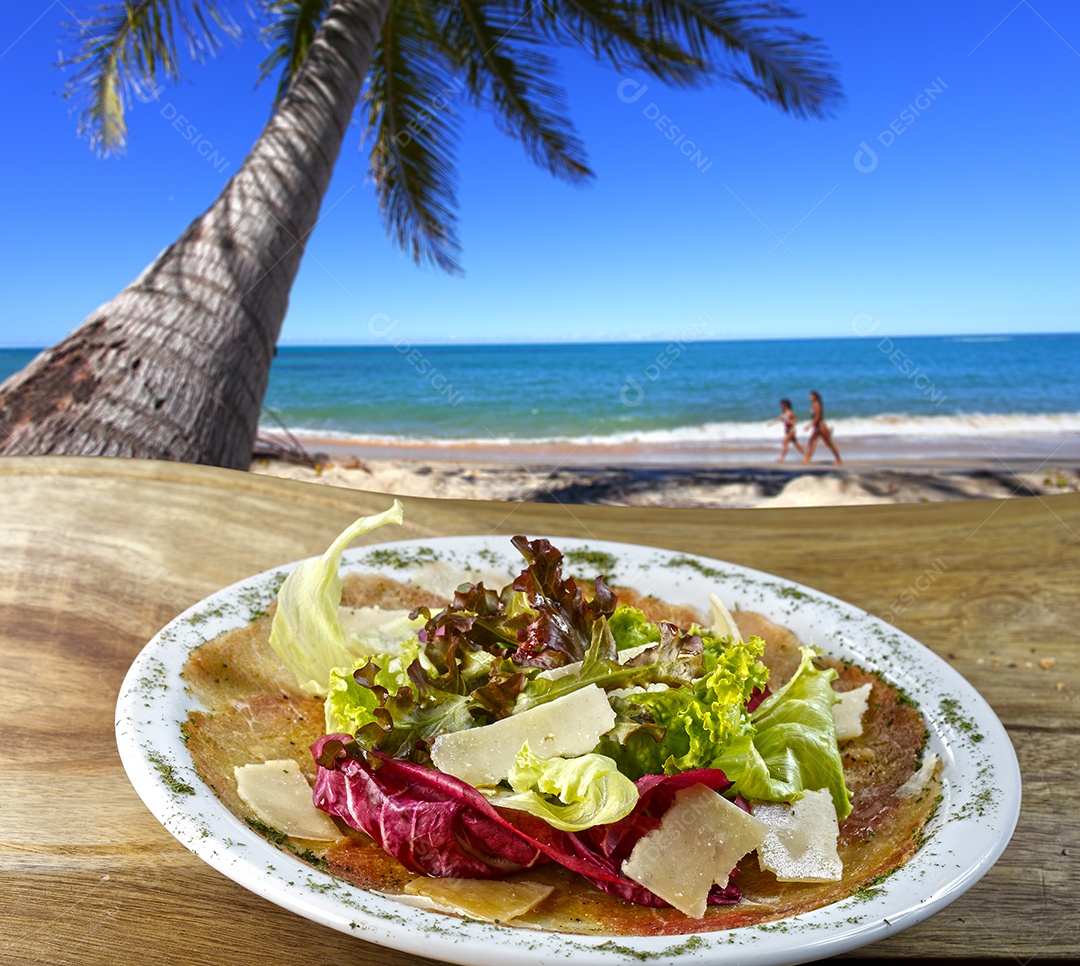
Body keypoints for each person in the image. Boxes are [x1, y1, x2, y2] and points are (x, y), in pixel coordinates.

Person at [803, 390, 842, 465]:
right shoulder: (813, 405)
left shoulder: (817, 405)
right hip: (816, 427)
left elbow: (818, 417)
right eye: (810, 396)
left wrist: (809, 425)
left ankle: (838, 459)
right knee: (811, 442)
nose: (809, 397)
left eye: (811, 396)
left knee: (829, 444)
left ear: (815, 397)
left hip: (821, 427)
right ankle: (807, 458)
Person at [768, 398, 805, 462]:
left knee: (785, 442)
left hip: (791, 430)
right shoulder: (783, 413)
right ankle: (805, 455)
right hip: (787, 431)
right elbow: (779, 419)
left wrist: (791, 422)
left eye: (781, 404)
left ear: (785, 405)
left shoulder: (790, 413)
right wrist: (772, 423)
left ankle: (782, 458)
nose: (780, 405)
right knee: (796, 443)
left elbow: (797, 421)